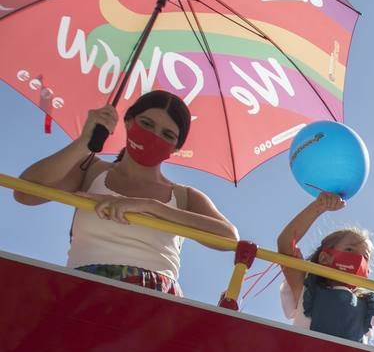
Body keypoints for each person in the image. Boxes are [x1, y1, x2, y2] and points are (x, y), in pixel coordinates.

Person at [15, 92, 238, 295]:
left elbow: (229, 239)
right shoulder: (90, 170)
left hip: (157, 306)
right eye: (146, 124)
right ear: (128, 121)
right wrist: (85, 143)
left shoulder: (184, 196)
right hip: (83, 291)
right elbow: (25, 192)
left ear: (176, 148)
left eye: (167, 134)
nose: (153, 135)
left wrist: (148, 206)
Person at [275, 191, 374, 344]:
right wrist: (319, 206)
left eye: (365, 257)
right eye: (350, 250)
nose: (358, 259)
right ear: (325, 257)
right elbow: (286, 243)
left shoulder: (369, 305)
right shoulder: (306, 288)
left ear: (367, 271)